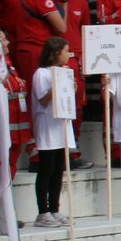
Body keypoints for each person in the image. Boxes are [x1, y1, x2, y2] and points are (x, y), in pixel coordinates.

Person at [30, 36, 75, 227]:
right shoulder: (41, 74)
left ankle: (55, 209)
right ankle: (43, 211)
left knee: (58, 169)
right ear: (56, 53)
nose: (68, 55)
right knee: (46, 169)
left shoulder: (64, 71)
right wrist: (57, 85)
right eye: (65, 51)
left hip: (61, 125)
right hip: (47, 124)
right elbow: (42, 99)